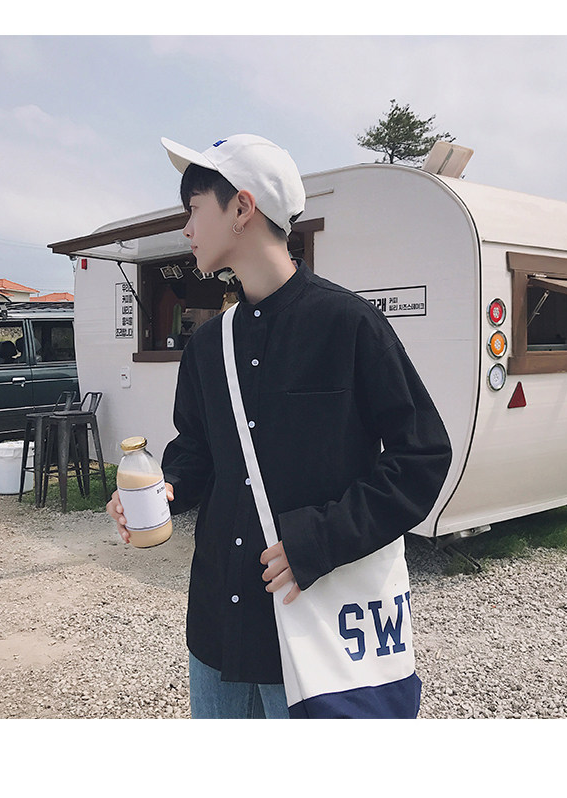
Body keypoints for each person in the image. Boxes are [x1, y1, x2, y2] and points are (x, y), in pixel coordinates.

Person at [107, 133, 452, 718]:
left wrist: (322, 537)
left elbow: (422, 456)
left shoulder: (349, 325)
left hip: (314, 624)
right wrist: (167, 489)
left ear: (242, 208)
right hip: (217, 623)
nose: (186, 229)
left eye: (194, 209)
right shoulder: (208, 344)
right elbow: (197, 448)